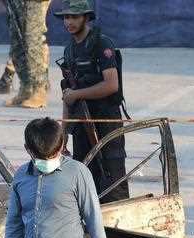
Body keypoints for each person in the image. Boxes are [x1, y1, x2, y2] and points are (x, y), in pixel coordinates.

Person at [57, 0, 128, 202]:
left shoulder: (101, 44)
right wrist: (62, 136)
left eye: (74, 17)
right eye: (66, 17)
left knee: (112, 178)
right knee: (84, 178)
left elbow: (111, 84)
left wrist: (78, 94)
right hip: (82, 124)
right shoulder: (69, 50)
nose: (68, 21)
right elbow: (67, 94)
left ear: (86, 18)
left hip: (106, 121)